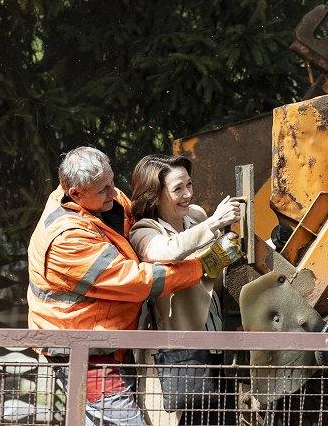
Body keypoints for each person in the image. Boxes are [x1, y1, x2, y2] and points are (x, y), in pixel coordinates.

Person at [27, 146, 243, 426]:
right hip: (81, 349)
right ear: (76, 193)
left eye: (112, 181)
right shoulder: (66, 237)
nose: (114, 192)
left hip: (111, 341)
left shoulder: (108, 201)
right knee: (125, 420)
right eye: (103, 189)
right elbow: (136, 281)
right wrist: (203, 266)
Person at [129, 154, 241, 426]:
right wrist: (214, 223)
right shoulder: (144, 230)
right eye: (178, 189)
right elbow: (167, 250)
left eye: (189, 185)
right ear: (155, 195)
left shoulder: (196, 216)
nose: (188, 194)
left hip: (218, 340)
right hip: (182, 352)